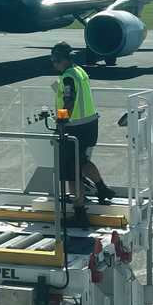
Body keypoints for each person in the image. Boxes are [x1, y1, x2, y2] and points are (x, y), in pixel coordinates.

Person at [49, 42, 112, 210]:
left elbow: (69, 101)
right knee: (83, 161)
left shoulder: (68, 77)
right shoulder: (79, 71)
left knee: (70, 172)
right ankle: (102, 188)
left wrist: (61, 122)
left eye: (55, 61)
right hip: (90, 124)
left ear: (61, 60)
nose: (54, 64)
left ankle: (79, 211)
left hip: (76, 127)